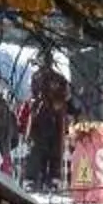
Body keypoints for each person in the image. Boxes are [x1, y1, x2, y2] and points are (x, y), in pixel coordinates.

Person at [22, 54, 72, 189]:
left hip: (49, 118)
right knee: (41, 149)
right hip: (44, 118)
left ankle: (47, 179)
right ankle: (42, 179)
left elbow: (65, 97)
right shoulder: (43, 77)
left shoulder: (43, 77)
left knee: (45, 149)